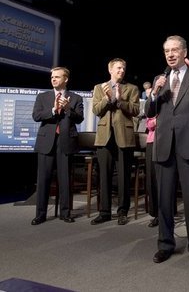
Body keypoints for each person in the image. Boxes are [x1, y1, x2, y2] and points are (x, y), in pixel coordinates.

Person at [145, 35, 189, 266]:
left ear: (184, 52)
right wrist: (154, 93)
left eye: (175, 49)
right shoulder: (161, 79)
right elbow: (149, 112)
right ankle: (165, 244)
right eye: (167, 50)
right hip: (165, 144)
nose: (170, 54)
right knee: (164, 200)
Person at [31, 67, 84, 225]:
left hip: (66, 141)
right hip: (46, 142)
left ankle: (65, 212)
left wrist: (68, 109)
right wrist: (54, 110)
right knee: (43, 180)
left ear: (65, 79)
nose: (53, 79)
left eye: (57, 77)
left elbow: (80, 118)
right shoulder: (43, 97)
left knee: (65, 179)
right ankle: (40, 214)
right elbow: (36, 116)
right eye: (52, 77)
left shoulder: (76, 98)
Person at [91, 58, 140, 226]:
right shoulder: (99, 88)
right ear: (110, 69)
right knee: (104, 176)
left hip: (124, 137)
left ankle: (122, 211)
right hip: (104, 137)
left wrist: (119, 101)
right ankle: (104, 212)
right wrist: (107, 99)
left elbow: (135, 110)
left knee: (124, 177)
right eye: (118, 68)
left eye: (124, 68)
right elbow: (96, 110)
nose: (122, 71)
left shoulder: (132, 88)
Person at [145, 115, 159, 227]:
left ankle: (167, 212)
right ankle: (156, 214)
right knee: (152, 178)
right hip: (152, 141)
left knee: (165, 181)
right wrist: (157, 121)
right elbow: (149, 125)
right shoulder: (154, 103)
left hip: (168, 140)